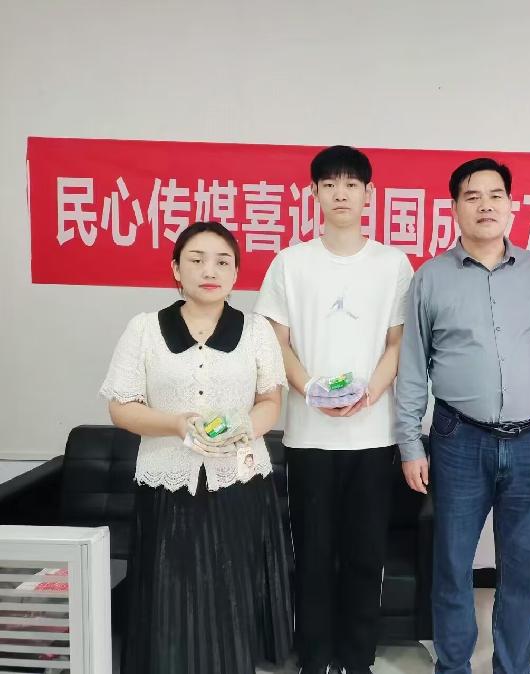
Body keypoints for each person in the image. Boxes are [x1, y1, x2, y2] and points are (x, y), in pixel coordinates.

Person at [395, 157, 530, 674]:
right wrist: (410, 443)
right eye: (472, 196)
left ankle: (513, 667)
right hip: (458, 440)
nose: (485, 205)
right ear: (454, 208)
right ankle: (453, 666)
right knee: (452, 567)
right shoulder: (430, 278)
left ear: (511, 206)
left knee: (523, 571)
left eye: (495, 195)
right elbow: (413, 366)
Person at [100, 221, 292, 674]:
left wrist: (243, 429)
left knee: (232, 594)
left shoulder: (256, 330)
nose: (210, 270)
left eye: (223, 261)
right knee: (169, 597)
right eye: (197, 259)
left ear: (236, 273)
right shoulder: (145, 329)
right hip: (167, 484)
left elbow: (270, 402)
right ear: (176, 269)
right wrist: (173, 424)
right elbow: (121, 408)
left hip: (239, 482)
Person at [255, 145, 413, 674]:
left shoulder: (392, 264)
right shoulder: (290, 263)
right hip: (309, 437)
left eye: (351, 184)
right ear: (314, 193)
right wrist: (311, 392)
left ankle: (357, 659)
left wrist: (369, 393)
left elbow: (399, 342)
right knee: (314, 554)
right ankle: (315, 658)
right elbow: (275, 342)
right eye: (329, 184)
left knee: (367, 556)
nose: (340, 193)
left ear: (370, 193)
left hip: (373, 436)